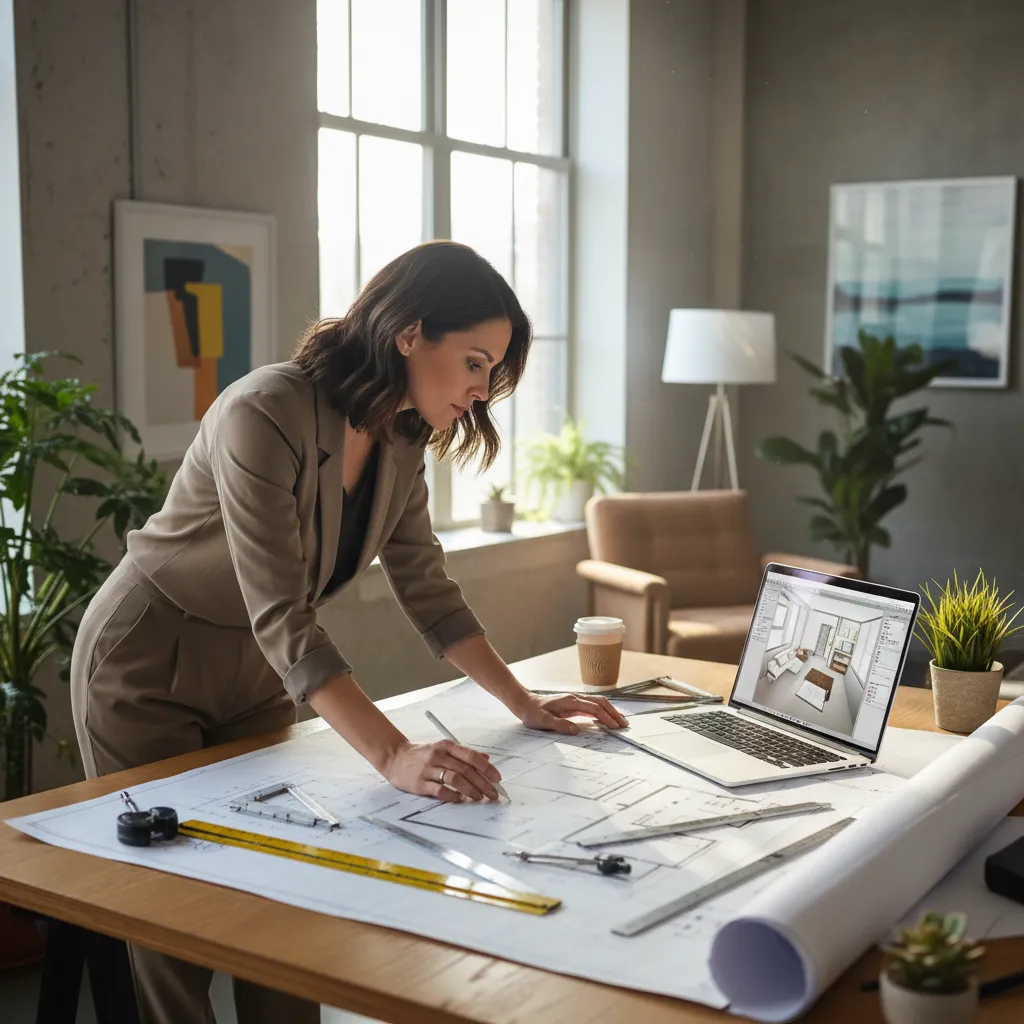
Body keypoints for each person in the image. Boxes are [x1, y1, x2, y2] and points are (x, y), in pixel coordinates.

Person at [70, 240, 628, 1024]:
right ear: (409, 333)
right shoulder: (264, 409)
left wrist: (523, 703)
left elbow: (428, 588)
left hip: (259, 671)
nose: (481, 391)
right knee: (176, 911)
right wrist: (394, 754)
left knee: (286, 887)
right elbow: (282, 610)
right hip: (147, 658)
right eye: (473, 363)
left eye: (491, 372)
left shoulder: (403, 441)